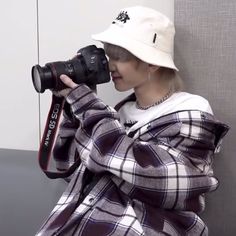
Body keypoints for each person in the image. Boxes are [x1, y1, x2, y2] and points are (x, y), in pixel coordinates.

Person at [36, 6, 229, 236]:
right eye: (109, 55)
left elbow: (162, 181)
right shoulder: (117, 113)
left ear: (152, 62)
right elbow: (69, 168)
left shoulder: (190, 109)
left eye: (119, 56)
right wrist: (72, 107)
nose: (109, 65)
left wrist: (89, 107)